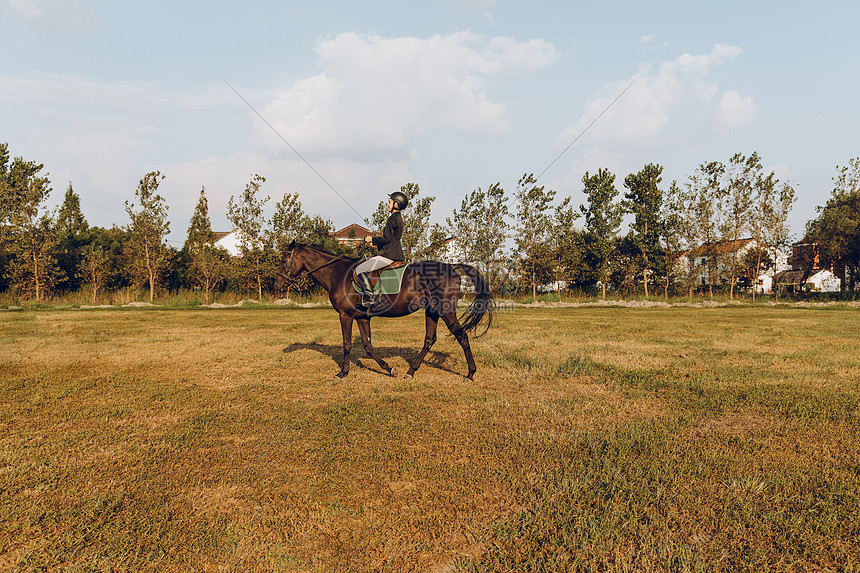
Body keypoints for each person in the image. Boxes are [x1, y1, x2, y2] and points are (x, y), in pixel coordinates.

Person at [356, 191, 408, 307]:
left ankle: (369, 298)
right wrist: (376, 244)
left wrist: (372, 240)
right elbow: (391, 240)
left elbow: (386, 239)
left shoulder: (392, 219)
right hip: (395, 254)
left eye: (389, 202)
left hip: (388, 256)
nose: (388, 205)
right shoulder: (398, 218)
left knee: (359, 269)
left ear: (396, 204)